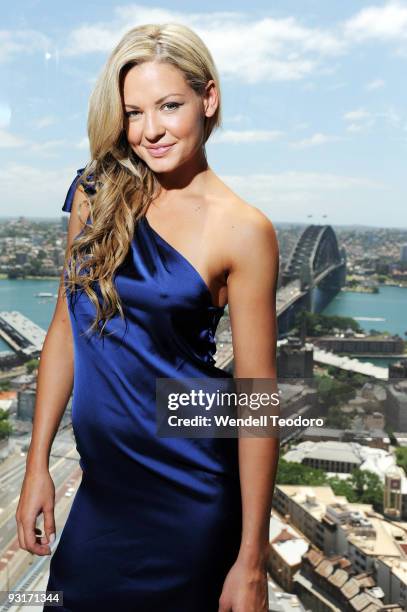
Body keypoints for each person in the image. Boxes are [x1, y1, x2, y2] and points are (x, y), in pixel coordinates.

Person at [15, 22, 279, 612]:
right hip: (102, 497)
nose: (150, 130)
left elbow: (257, 400)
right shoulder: (96, 194)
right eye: (133, 113)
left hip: (190, 497)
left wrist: (252, 558)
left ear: (208, 99)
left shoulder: (243, 229)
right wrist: (38, 467)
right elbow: (64, 329)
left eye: (169, 106)